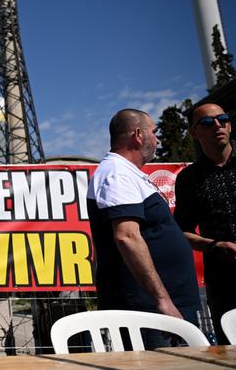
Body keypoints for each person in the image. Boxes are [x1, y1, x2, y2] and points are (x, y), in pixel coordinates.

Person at [86, 109, 200, 348]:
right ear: (138, 134)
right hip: (149, 312)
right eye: (154, 131)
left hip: (163, 309)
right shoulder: (116, 174)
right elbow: (127, 237)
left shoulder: (129, 174)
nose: (157, 139)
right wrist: (162, 301)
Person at [174, 102, 236, 345]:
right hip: (224, 283)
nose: (217, 125)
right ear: (194, 132)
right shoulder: (189, 179)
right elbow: (183, 232)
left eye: (223, 119)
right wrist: (214, 245)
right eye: (208, 123)